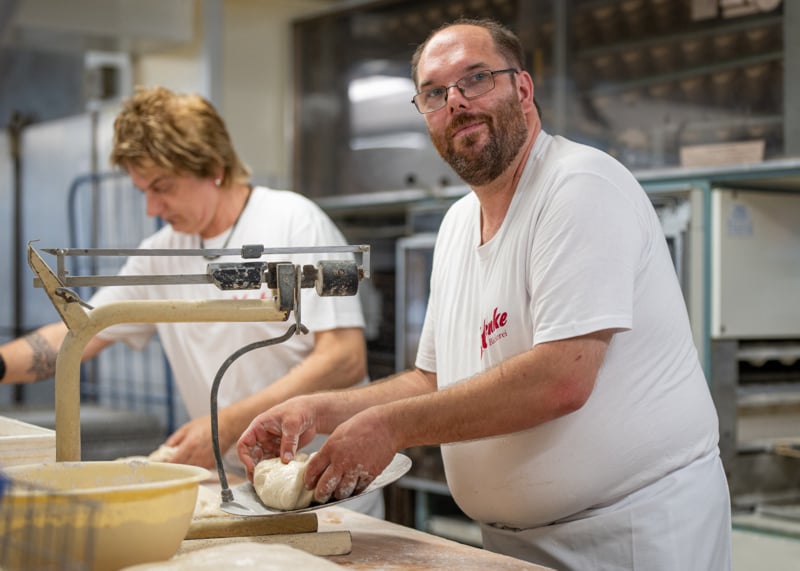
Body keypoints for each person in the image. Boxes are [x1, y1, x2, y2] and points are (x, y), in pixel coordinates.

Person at [236, 18, 732, 569]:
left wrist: (392, 427)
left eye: (476, 79)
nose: (456, 102)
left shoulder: (579, 186)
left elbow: (561, 378)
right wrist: (320, 409)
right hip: (516, 543)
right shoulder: (455, 225)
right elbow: (433, 379)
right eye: (434, 93)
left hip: (631, 534)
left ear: (522, 88)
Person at [0, 86, 383, 518]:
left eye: (162, 188)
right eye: (143, 190)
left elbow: (344, 358)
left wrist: (226, 426)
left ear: (214, 167)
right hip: (240, 487)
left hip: (328, 485)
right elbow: (78, 333)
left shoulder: (294, 222)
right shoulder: (163, 250)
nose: (151, 207)